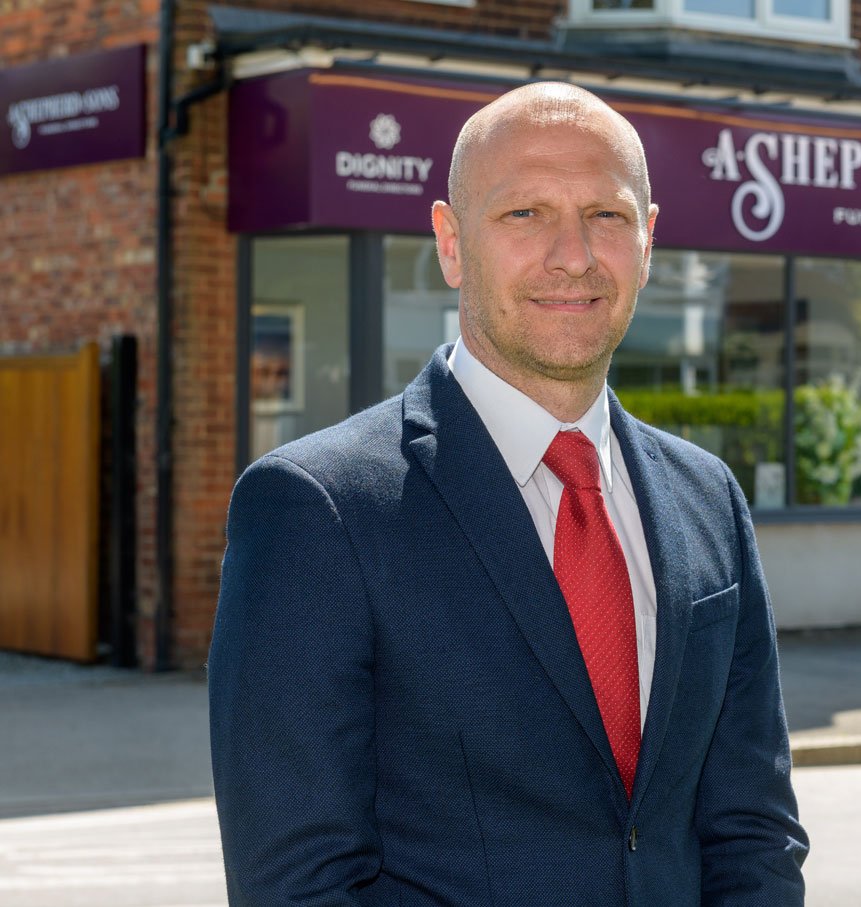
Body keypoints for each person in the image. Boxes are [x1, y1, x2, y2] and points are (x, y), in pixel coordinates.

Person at [208, 81, 809, 905]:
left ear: (649, 240)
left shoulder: (708, 500)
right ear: (451, 244)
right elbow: (297, 884)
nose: (574, 254)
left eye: (607, 214)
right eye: (524, 214)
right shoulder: (319, 510)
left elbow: (754, 833)